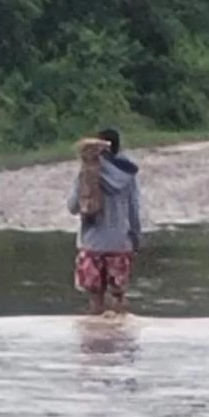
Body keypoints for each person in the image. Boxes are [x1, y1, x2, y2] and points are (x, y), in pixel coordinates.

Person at [68, 128, 142, 315]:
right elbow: (134, 209)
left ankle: (94, 340)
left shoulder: (86, 173)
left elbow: (72, 207)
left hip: (92, 244)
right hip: (119, 243)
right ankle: (121, 338)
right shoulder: (128, 175)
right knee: (119, 297)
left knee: (95, 299)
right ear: (117, 148)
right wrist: (136, 238)